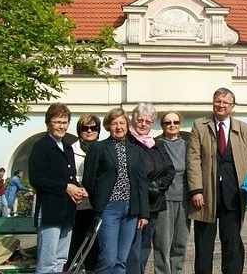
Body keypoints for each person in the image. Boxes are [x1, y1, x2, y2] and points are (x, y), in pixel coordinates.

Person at [187, 87, 247, 274]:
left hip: (233, 195)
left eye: (226, 102)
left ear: (232, 106)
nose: (221, 105)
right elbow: (193, 159)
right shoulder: (199, 126)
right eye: (218, 101)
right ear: (213, 102)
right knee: (203, 246)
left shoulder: (246, 130)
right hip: (206, 195)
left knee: (232, 245)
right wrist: (196, 190)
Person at [82, 107, 150, 274]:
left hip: (130, 211)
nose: (118, 127)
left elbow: (141, 182)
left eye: (122, 123)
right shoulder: (98, 148)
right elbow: (88, 180)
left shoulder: (136, 150)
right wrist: (98, 204)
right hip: (109, 209)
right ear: (108, 126)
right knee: (108, 258)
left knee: (121, 261)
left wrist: (144, 213)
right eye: (114, 123)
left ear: (127, 125)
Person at [29, 102, 88, 274]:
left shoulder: (68, 148)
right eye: (57, 122)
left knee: (61, 259)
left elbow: (69, 178)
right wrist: (66, 187)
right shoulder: (41, 146)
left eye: (64, 122)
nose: (61, 126)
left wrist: (78, 188)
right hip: (49, 211)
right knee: (47, 261)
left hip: (67, 211)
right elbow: (37, 179)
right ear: (49, 122)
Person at [127, 103, 175, 274]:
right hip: (133, 205)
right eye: (140, 120)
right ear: (133, 120)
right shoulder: (127, 142)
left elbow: (170, 170)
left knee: (145, 246)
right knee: (132, 248)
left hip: (153, 203)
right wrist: (144, 188)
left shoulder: (157, 144)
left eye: (148, 121)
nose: (143, 124)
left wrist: (157, 186)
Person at [153, 111, 191, 274]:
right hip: (163, 199)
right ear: (162, 126)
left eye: (175, 122)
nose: (172, 125)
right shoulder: (156, 145)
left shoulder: (188, 146)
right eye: (167, 123)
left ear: (180, 124)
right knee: (162, 244)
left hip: (184, 199)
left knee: (180, 244)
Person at [67, 114, 102, 271]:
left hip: (96, 204)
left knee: (94, 247)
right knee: (75, 244)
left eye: (93, 128)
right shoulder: (70, 150)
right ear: (79, 130)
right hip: (76, 203)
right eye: (85, 128)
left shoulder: (103, 149)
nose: (89, 131)